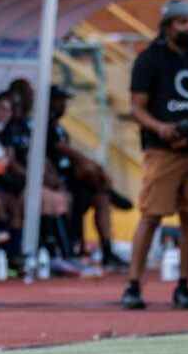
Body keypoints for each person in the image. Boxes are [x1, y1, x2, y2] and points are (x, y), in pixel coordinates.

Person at [122, 0, 188, 310]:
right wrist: (161, 128)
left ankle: (184, 286)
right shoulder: (150, 59)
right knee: (151, 216)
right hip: (163, 151)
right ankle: (133, 285)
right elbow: (136, 107)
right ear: (168, 25)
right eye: (182, 22)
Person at [47, 85, 129, 270]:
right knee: (89, 170)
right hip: (56, 181)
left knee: (101, 198)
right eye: (61, 101)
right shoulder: (44, 125)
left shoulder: (59, 127)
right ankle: (108, 189)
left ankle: (107, 252)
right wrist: (86, 161)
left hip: (71, 180)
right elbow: (60, 149)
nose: (64, 105)